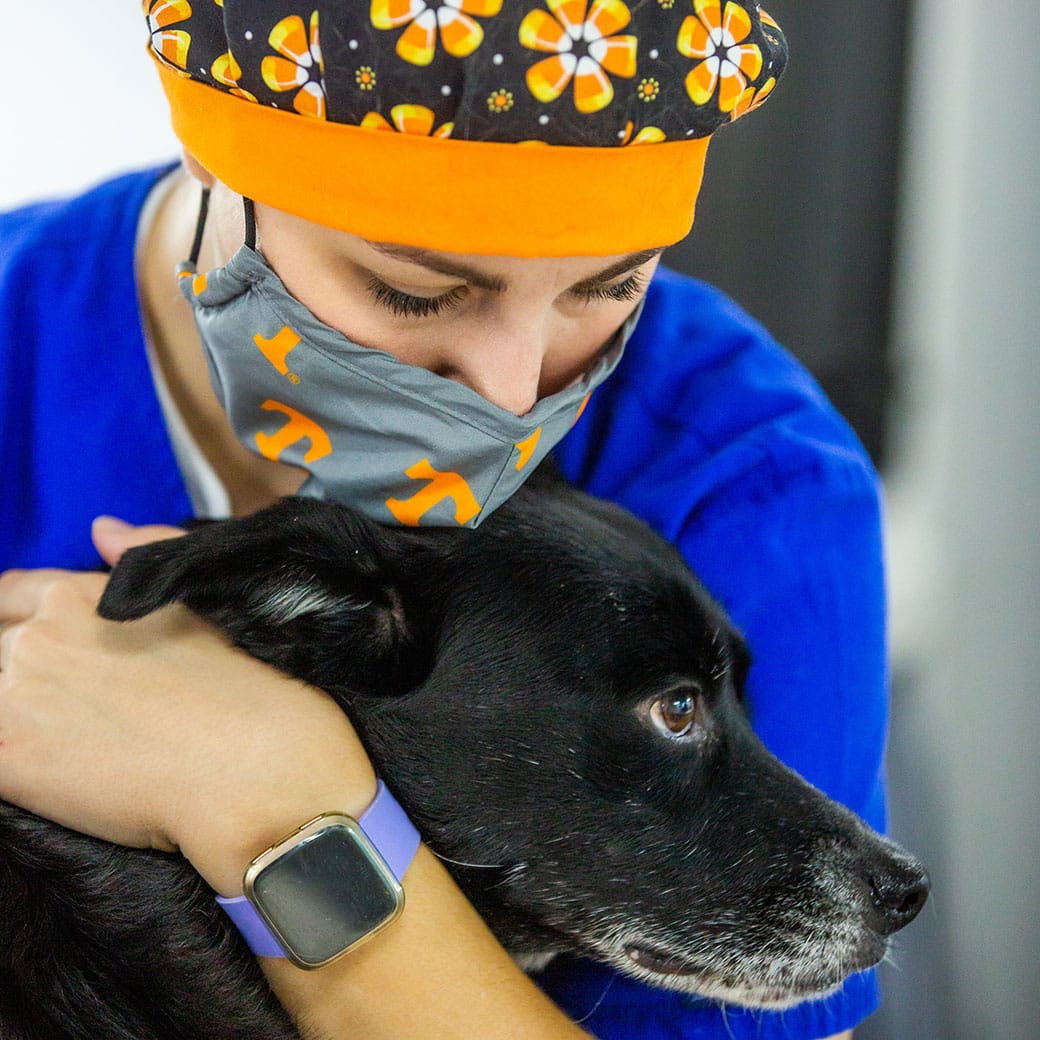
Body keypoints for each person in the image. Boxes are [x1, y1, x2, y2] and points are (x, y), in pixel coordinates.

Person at [0, 3, 887, 1038]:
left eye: (606, 286)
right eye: (414, 291)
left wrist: (271, 795)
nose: (511, 395)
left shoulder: (748, 479)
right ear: (213, 151)